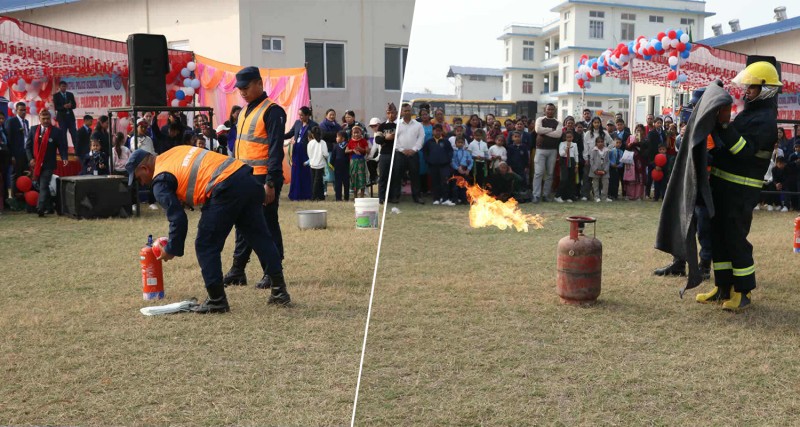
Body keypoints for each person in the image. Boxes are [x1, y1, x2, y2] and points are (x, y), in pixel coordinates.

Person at [127, 146, 291, 312]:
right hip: (245, 176)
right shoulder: (172, 153)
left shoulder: (159, 180)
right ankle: (279, 291)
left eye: (139, 178)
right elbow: (196, 172)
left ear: (144, 168)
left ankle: (216, 300)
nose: (142, 183)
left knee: (206, 244)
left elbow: (178, 218)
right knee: (259, 237)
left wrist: (171, 249)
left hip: (225, 187)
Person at [695, 61, 782, 310]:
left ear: (766, 89)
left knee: (735, 239)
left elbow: (743, 151)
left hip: (741, 190)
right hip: (724, 186)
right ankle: (723, 288)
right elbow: (727, 144)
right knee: (718, 237)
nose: (746, 91)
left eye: (751, 87)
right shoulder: (749, 113)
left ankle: (743, 292)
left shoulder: (765, 120)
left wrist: (724, 125)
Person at [224, 66, 287, 290]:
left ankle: (273, 272)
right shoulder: (243, 111)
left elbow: (275, 150)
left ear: (259, 83)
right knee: (242, 224)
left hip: (263, 178)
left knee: (267, 225)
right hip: (243, 177)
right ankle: (238, 270)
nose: (242, 92)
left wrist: (271, 182)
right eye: (239, 88)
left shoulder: (273, 111)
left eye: (246, 87)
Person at [26, 109, 68, 217]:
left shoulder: (56, 131)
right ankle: (50, 207)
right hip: (36, 164)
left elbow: (62, 146)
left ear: (51, 119)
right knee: (41, 185)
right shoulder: (33, 129)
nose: (46, 121)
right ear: (39, 119)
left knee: (44, 185)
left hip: (49, 164)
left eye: (48, 118)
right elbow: (28, 147)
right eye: (43, 118)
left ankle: (40, 208)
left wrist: (64, 157)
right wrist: (31, 159)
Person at [392, 103, 425, 204]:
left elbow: (421, 138)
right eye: (405, 111)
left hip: (413, 154)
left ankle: (417, 197)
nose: (407, 112)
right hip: (400, 153)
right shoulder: (396, 124)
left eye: (408, 110)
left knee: (415, 175)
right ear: (401, 112)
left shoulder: (418, 125)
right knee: (397, 175)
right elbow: (394, 139)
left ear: (411, 112)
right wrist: (402, 149)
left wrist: (414, 149)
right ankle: (395, 196)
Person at [286, 106, 316, 201]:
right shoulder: (297, 123)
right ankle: (295, 194)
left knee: (305, 173)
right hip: (296, 151)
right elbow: (290, 133)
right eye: (299, 115)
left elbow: (317, 137)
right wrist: (279, 135)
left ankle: (306, 194)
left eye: (302, 115)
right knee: (296, 172)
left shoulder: (313, 125)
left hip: (306, 152)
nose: (300, 117)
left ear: (307, 115)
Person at [533, 103, 562, 203]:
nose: (550, 111)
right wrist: (551, 130)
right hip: (540, 150)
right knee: (538, 173)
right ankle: (536, 195)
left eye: (552, 109)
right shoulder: (540, 120)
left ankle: (546, 195)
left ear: (554, 111)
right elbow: (538, 130)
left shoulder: (558, 122)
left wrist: (544, 132)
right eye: (548, 109)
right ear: (545, 110)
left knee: (550, 174)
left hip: (553, 151)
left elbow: (558, 134)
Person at [422, 123, 453, 205]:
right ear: (433, 131)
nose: (438, 132)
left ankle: (445, 198)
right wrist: (428, 160)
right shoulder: (429, 142)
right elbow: (425, 152)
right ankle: (436, 198)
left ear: (442, 132)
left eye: (439, 131)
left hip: (444, 165)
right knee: (435, 182)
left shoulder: (446, 141)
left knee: (445, 181)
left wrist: (448, 160)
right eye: (436, 131)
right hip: (433, 165)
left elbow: (450, 151)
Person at [582, 116, 612, 201]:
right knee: (588, 177)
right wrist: (586, 158)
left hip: (602, 157)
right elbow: (585, 146)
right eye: (595, 122)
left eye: (598, 122)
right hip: (590, 157)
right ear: (592, 123)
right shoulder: (588, 133)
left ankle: (601, 196)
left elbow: (612, 143)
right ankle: (585, 195)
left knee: (602, 178)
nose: (596, 124)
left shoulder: (604, 133)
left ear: (600, 123)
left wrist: (606, 149)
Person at [5, 102, 30, 199]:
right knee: (15, 175)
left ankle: (22, 197)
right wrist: (11, 155)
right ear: (16, 111)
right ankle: (14, 197)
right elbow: (9, 140)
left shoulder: (26, 122)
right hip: (16, 154)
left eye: (25, 110)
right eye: (21, 110)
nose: (23, 112)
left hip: (25, 153)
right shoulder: (11, 121)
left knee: (24, 174)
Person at [375, 103, 397, 204]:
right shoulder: (382, 126)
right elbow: (378, 140)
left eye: (392, 112)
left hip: (396, 153)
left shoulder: (399, 125)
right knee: (383, 176)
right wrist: (386, 138)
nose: (390, 115)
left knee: (394, 176)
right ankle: (381, 197)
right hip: (384, 154)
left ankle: (393, 197)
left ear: (396, 113)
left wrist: (393, 137)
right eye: (388, 113)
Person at [555, 130, 579, 203]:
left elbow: (576, 155)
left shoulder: (574, 144)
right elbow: (561, 154)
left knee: (571, 179)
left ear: (572, 137)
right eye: (567, 137)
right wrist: (566, 149)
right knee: (564, 179)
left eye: (570, 137)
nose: (569, 138)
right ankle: (558, 196)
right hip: (564, 161)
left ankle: (569, 196)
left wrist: (576, 165)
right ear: (565, 137)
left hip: (572, 161)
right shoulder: (562, 144)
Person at [306, 126, 328, 201]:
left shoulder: (310, 143)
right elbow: (325, 154)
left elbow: (309, 154)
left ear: (312, 134)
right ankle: (314, 196)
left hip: (312, 164)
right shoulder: (323, 143)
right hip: (320, 164)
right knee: (318, 180)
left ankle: (321, 196)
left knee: (315, 180)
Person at [347, 125, 369, 198]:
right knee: (354, 177)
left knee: (361, 178)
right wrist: (353, 150)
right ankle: (355, 196)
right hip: (353, 162)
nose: (356, 134)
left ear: (361, 133)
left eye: (357, 133)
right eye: (354, 133)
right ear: (352, 133)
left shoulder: (363, 141)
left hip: (361, 162)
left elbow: (367, 151)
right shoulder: (350, 141)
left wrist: (361, 149)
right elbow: (346, 151)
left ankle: (362, 196)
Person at [53, 81, 77, 145]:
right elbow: (56, 107)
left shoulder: (70, 94)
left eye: (65, 86)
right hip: (62, 118)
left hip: (71, 118)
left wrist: (70, 106)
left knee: (74, 134)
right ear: (59, 87)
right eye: (62, 86)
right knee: (63, 135)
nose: (64, 88)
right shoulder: (56, 96)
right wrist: (63, 107)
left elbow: (74, 105)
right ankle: (64, 150)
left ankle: (77, 149)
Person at [450, 135, 473, 205]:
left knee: (464, 185)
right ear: (455, 143)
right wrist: (457, 168)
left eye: (462, 142)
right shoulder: (453, 152)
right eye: (458, 142)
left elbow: (471, 161)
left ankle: (464, 199)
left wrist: (468, 169)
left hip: (465, 170)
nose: (460, 144)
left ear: (464, 143)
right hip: (456, 170)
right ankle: (455, 199)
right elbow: (452, 161)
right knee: (455, 186)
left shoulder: (467, 152)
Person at [588, 135, 611, 203]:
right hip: (595, 170)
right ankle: (596, 197)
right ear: (596, 143)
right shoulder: (593, 150)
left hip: (604, 170)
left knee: (606, 183)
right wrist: (595, 170)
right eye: (598, 142)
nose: (600, 143)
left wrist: (605, 170)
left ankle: (604, 197)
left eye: (601, 142)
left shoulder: (606, 150)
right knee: (595, 184)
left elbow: (608, 161)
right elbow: (591, 160)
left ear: (604, 142)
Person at [329, 130, 350, 201]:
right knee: (338, 183)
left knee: (346, 183)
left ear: (343, 138)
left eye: (337, 137)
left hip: (346, 167)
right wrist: (331, 165)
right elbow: (333, 156)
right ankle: (338, 198)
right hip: (337, 168)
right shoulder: (336, 146)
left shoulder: (348, 145)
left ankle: (346, 198)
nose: (336, 138)